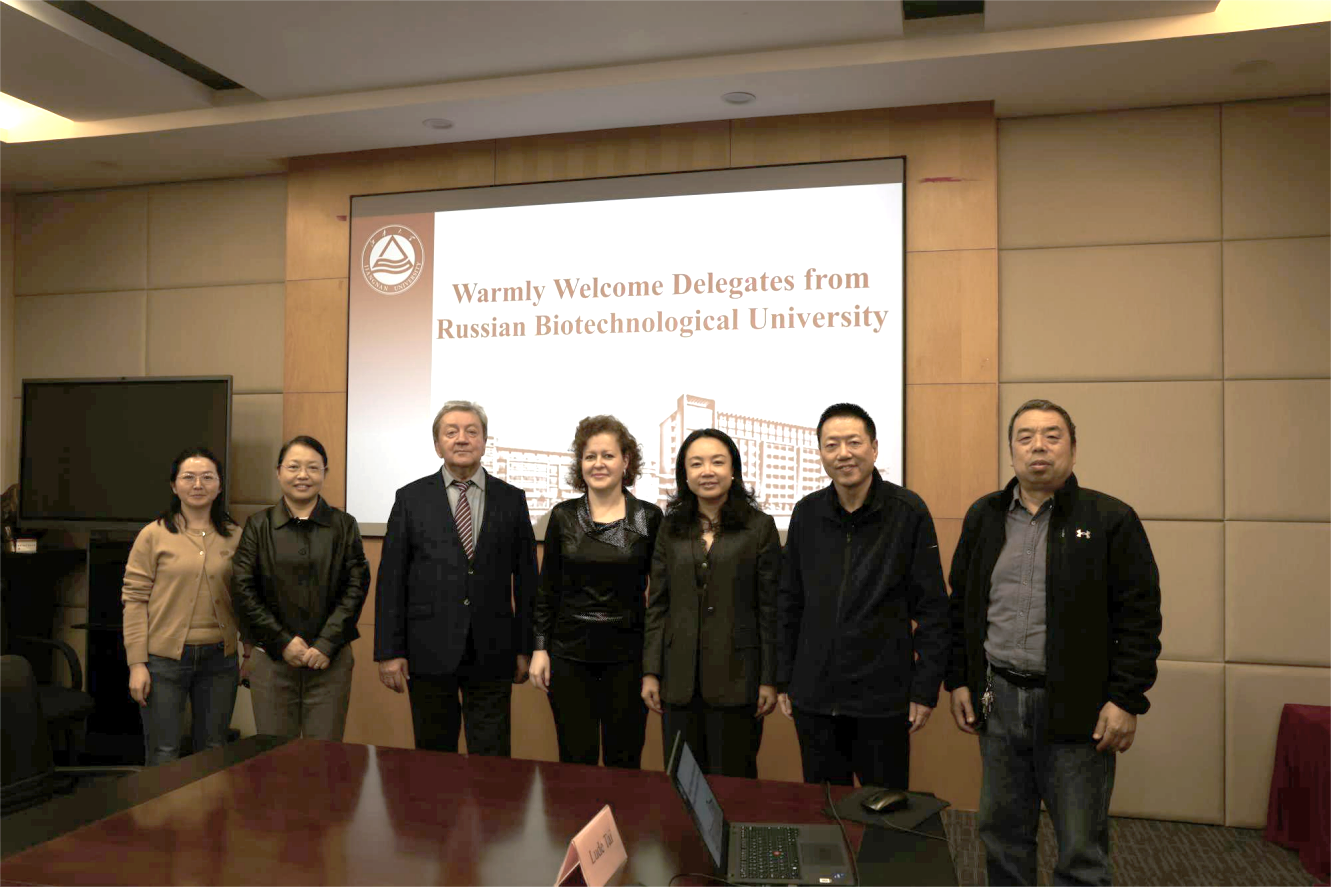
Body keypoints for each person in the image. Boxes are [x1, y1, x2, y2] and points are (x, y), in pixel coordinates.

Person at [946, 399, 1162, 887]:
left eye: (1051, 435)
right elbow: (962, 604)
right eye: (1025, 437)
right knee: (1002, 834)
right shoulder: (984, 515)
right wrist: (958, 679)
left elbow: (1141, 617)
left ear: (1073, 448)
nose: (1038, 446)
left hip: (1078, 707)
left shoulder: (1110, 519)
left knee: (1081, 848)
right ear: (1011, 451)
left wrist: (1126, 699)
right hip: (999, 700)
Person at [776, 403, 950, 789]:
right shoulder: (807, 513)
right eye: (831, 445)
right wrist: (784, 677)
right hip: (815, 698)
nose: (843, 454)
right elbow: (789, 601)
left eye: (853, 442)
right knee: (824, 810)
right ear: (820, 453)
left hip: (882, 701)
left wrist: (924, 688)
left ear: (874, 448)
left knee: (884, 812)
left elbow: (934, 609)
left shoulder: (907, 512)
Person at [375, 401, 538, 756]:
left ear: (484, 441)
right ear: (438, 445)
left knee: (492, 759)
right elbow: (391, 580)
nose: (462, 439)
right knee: (434, 757)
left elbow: (527, 582)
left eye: (471, 431)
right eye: (451, 432)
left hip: (494, 651)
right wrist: (389, 651)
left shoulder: (512, 500)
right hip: (428, 651)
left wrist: (526, 647)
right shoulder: (410, 499)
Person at [643, 428, 780, 778]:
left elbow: (770, 609)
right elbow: (657, 605)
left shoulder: (759, 527)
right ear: (685, 475)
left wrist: (769, 679)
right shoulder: (670, 527)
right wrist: (651, 672)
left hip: (739, 678)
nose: (707, 471)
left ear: (733, 470)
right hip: (678, 679)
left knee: (734, 782)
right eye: (696, 464)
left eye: (717, 462)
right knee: (683, 780)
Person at [529, 415, 662, 768]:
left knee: (625, 761)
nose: (598, 464)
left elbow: (661, 597)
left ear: (626, 461)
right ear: (580, 464)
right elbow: (547, 590)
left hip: (628, 658)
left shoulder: (649, 518)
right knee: (575, 760)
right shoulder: (562, 516)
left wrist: (654, 665)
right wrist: (540, 649)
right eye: (590, 456)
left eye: (608, 455)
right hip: (569, 656)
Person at [230, 435, 370, 740]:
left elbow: (356, 587)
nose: (303, 475)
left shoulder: (344, 525)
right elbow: (243, 588)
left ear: (325, 473)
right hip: (272, 659)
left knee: (325, 755)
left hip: (329, 661)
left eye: (312, 467)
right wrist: (282, 641)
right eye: (294, 467)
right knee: (275, 755)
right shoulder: (258, 525)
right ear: (278, 471)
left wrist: (326, 643)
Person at [122, 447, 241, 765]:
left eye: (207, 477)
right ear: (174, 486)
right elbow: (134, 600)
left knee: (214, 750)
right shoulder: (153, 535)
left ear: (219, 485)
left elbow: (246, 598)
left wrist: (251, 651)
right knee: (163, 753)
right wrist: (137, 664)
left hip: (220, 660)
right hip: (163, 662)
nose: (198, 484)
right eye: (188, 477)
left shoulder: (236, 537)